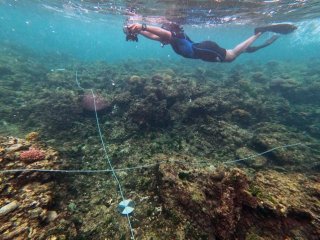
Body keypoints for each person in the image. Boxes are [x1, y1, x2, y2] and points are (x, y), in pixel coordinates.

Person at [126, 22, 297, 62]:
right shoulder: (174, 39)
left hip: (204, 50)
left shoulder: (173, 38)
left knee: (231, 56)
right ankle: (248, 47)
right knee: (232, 53)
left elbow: (163, 32)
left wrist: (143, 25)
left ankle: (259, 32)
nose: (161, 40)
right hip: (204, 48)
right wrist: (141, 32)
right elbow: (156, 36)